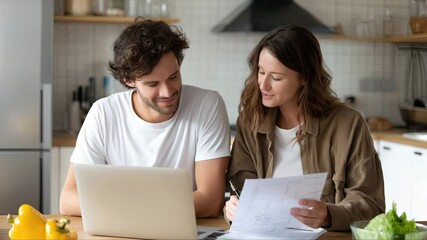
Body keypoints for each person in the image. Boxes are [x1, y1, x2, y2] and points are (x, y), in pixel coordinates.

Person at [59, 19, 230, 218]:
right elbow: (68, 200)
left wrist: (131, 209)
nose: (167, 92)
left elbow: (211, 201)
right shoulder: (104, 113)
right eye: (153, 83)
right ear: (128, 80)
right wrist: (141, 211)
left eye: (173, 77)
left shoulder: (206, 105)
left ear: (179, 63)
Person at [224, 25, 385, 231]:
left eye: (276, 77)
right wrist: (232, 209)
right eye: (261, 72)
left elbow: (371, 204)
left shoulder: (349, 124)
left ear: (304, 78)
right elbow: (238, 191)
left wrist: (329, 215)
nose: (263, 85)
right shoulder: (250, 121)